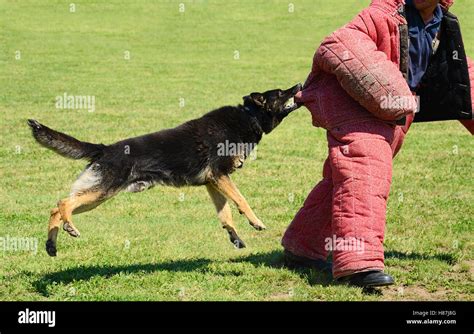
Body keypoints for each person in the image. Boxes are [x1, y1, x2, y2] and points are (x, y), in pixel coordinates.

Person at [282, 0, 474, 288]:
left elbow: (455, 71)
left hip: (391, 111)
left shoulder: (440, 21)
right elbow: (339, 42)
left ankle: (301, 246)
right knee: (365, 173)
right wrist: (387, 88)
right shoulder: (382, 12)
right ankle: (358, 264)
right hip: (354, 103)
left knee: (341, 179)